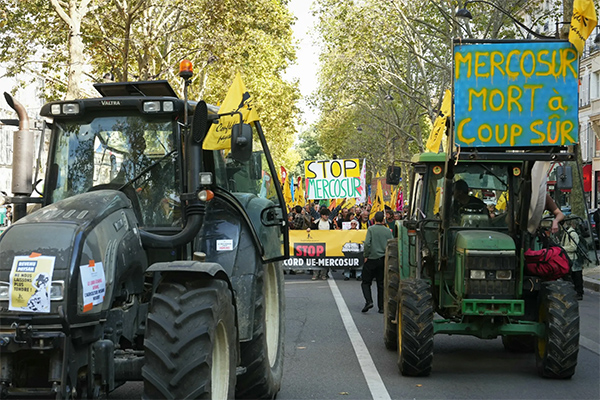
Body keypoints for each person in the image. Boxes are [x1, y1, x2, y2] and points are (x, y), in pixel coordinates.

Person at [361, 211, 393, 313]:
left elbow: (367, 244)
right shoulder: (388, 231)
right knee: (381, 284)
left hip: (372, 258)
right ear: (383, 220)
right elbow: (391, 244)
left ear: (374, 219)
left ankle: (369, 301)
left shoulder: (371, 229)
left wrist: (366, 255)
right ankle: (381, 307)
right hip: (383, 259)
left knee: (366, 282)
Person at [308, 207, 335, 280]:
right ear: (322, 215)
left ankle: (323, 274)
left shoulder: (330, 222)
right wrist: (309, 229)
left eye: (328, 215)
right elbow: (311, 228)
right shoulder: (317, 222)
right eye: (326, 215)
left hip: (327, 244)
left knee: (325, 260)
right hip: (317, 244)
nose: (327, 217)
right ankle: (315, 274)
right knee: (316, 260)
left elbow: (333, 232)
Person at [561, 220, 583, 300]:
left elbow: (573, 247)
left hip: (573, 258)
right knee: (571, 276)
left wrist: (562, 248)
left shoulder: (572, 233)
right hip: (568, 257)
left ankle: (579, 293)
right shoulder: (566, 233)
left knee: (577, 276)